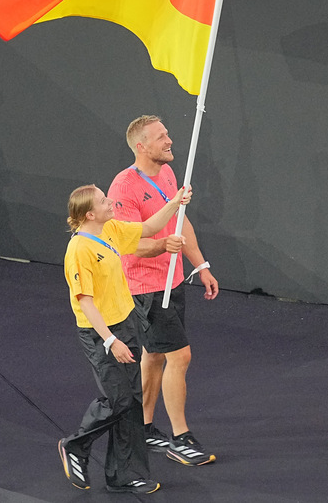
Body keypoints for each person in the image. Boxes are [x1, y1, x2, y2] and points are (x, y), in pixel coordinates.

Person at [58, 182, 190, 495]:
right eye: (104, 201)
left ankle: (123, 475)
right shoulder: (79, 250)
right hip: (100, 333)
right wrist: (109, 341)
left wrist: (175, 201)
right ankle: (75, 445)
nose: (111, 202)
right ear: (89, 213)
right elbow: (85, 301)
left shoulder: (112, 229)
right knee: (117, 400)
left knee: (131, 402)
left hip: (125, 323)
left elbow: (147, 227)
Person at [107, 115, 219, 466]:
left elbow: (179, 222)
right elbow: (126, 245)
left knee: (154, 356)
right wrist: (161, 247)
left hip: (172, 281)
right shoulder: (124, 188)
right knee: (179, 356)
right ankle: (181, 437)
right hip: (145, 289)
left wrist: (200, 265)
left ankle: (143, 426)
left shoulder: (169, 175)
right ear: (141, 146)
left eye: (168, 134)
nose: (170, 141)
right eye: (161, 137)